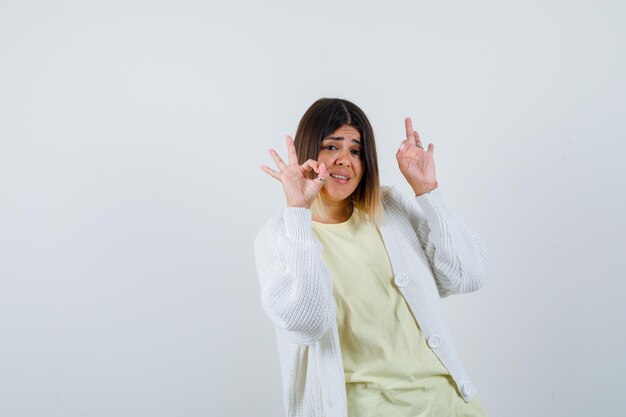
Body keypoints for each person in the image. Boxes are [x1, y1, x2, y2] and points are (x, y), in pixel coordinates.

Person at [254, 98, 489, 417]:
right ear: (309, 151)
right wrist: (298, 212)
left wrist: (428, 191)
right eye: (331, 146)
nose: (344, 161)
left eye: (356, 150)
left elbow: (467, 275)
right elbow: (306, 324)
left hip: (446, 404)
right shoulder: (281, 235)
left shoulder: (389, 208)